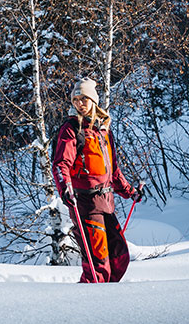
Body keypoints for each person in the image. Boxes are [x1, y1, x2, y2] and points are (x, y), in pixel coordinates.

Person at [51, 77, 144, 283]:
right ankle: (89, 305)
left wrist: (130, 192)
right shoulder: (71, 128)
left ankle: (105, 301)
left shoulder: (103, 131)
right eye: (76, 100)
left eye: (84, 98)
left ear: (94, 100)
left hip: (106, 203)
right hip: (85, 204)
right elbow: (60, 164)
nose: (79, 103)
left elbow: (114, 172)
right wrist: (65, 189)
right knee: (98, 265)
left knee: (120, 257)